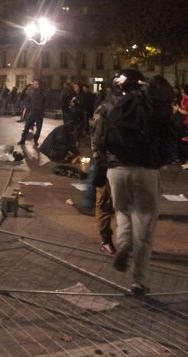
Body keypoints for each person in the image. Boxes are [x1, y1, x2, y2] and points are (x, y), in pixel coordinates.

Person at [100, 70, 176, 295]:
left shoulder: (123, 102)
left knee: (122, 212)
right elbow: (170, 142)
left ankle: (123, 244)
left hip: (117, 170)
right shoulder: (160, 109)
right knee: (144, 226)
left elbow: (106, 135)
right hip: (145, 171)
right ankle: (138, 281)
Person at [91, 88, 119, 254]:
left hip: (115, 163)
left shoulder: (106, 109)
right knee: (107, 202)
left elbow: (96, 137)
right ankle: (107, 239)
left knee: (107, 203)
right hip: (113, 163)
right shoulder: (106, 109)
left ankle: (107, 239)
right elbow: (96, 136)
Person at [18, 79, 47, 146]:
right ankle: (22, 140)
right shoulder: (31, 92)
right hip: (32, 112)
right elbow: (25, 100)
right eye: (34, 83)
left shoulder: (43, 92)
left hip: (40, 113)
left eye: (36, 83)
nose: (35, 85)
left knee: (38, 128)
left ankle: (35, 141)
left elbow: (46, 102)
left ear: (39, 84)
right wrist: (29, 106)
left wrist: (42, 108)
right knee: (27, 126)